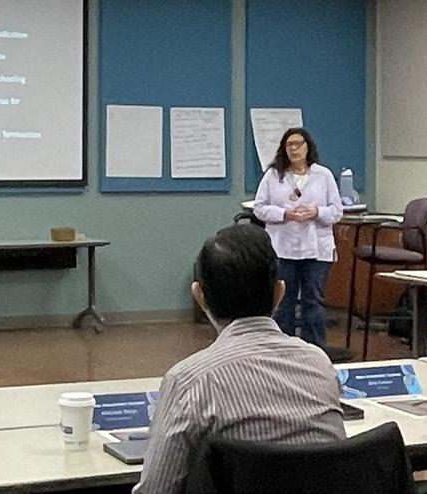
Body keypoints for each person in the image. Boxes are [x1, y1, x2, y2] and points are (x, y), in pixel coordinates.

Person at [133, 224, 345, 494]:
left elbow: (155, 490)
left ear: (199, 296)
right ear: (279, 292)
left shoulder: (189, 380)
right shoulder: (320, 364)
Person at [251, 127, 343, 346]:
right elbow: (259, 208)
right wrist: (285, 214)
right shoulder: (273, 175)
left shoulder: (323, 175)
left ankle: (315, 351)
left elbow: (336, 211)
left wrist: (316, 212)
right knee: (284, 301)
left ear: (307, 147)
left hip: (317, 249)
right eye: (289, 145)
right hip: (283, 247)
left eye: (298, 144)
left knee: (313, 301)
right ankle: (284, 349)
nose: (294, 149)